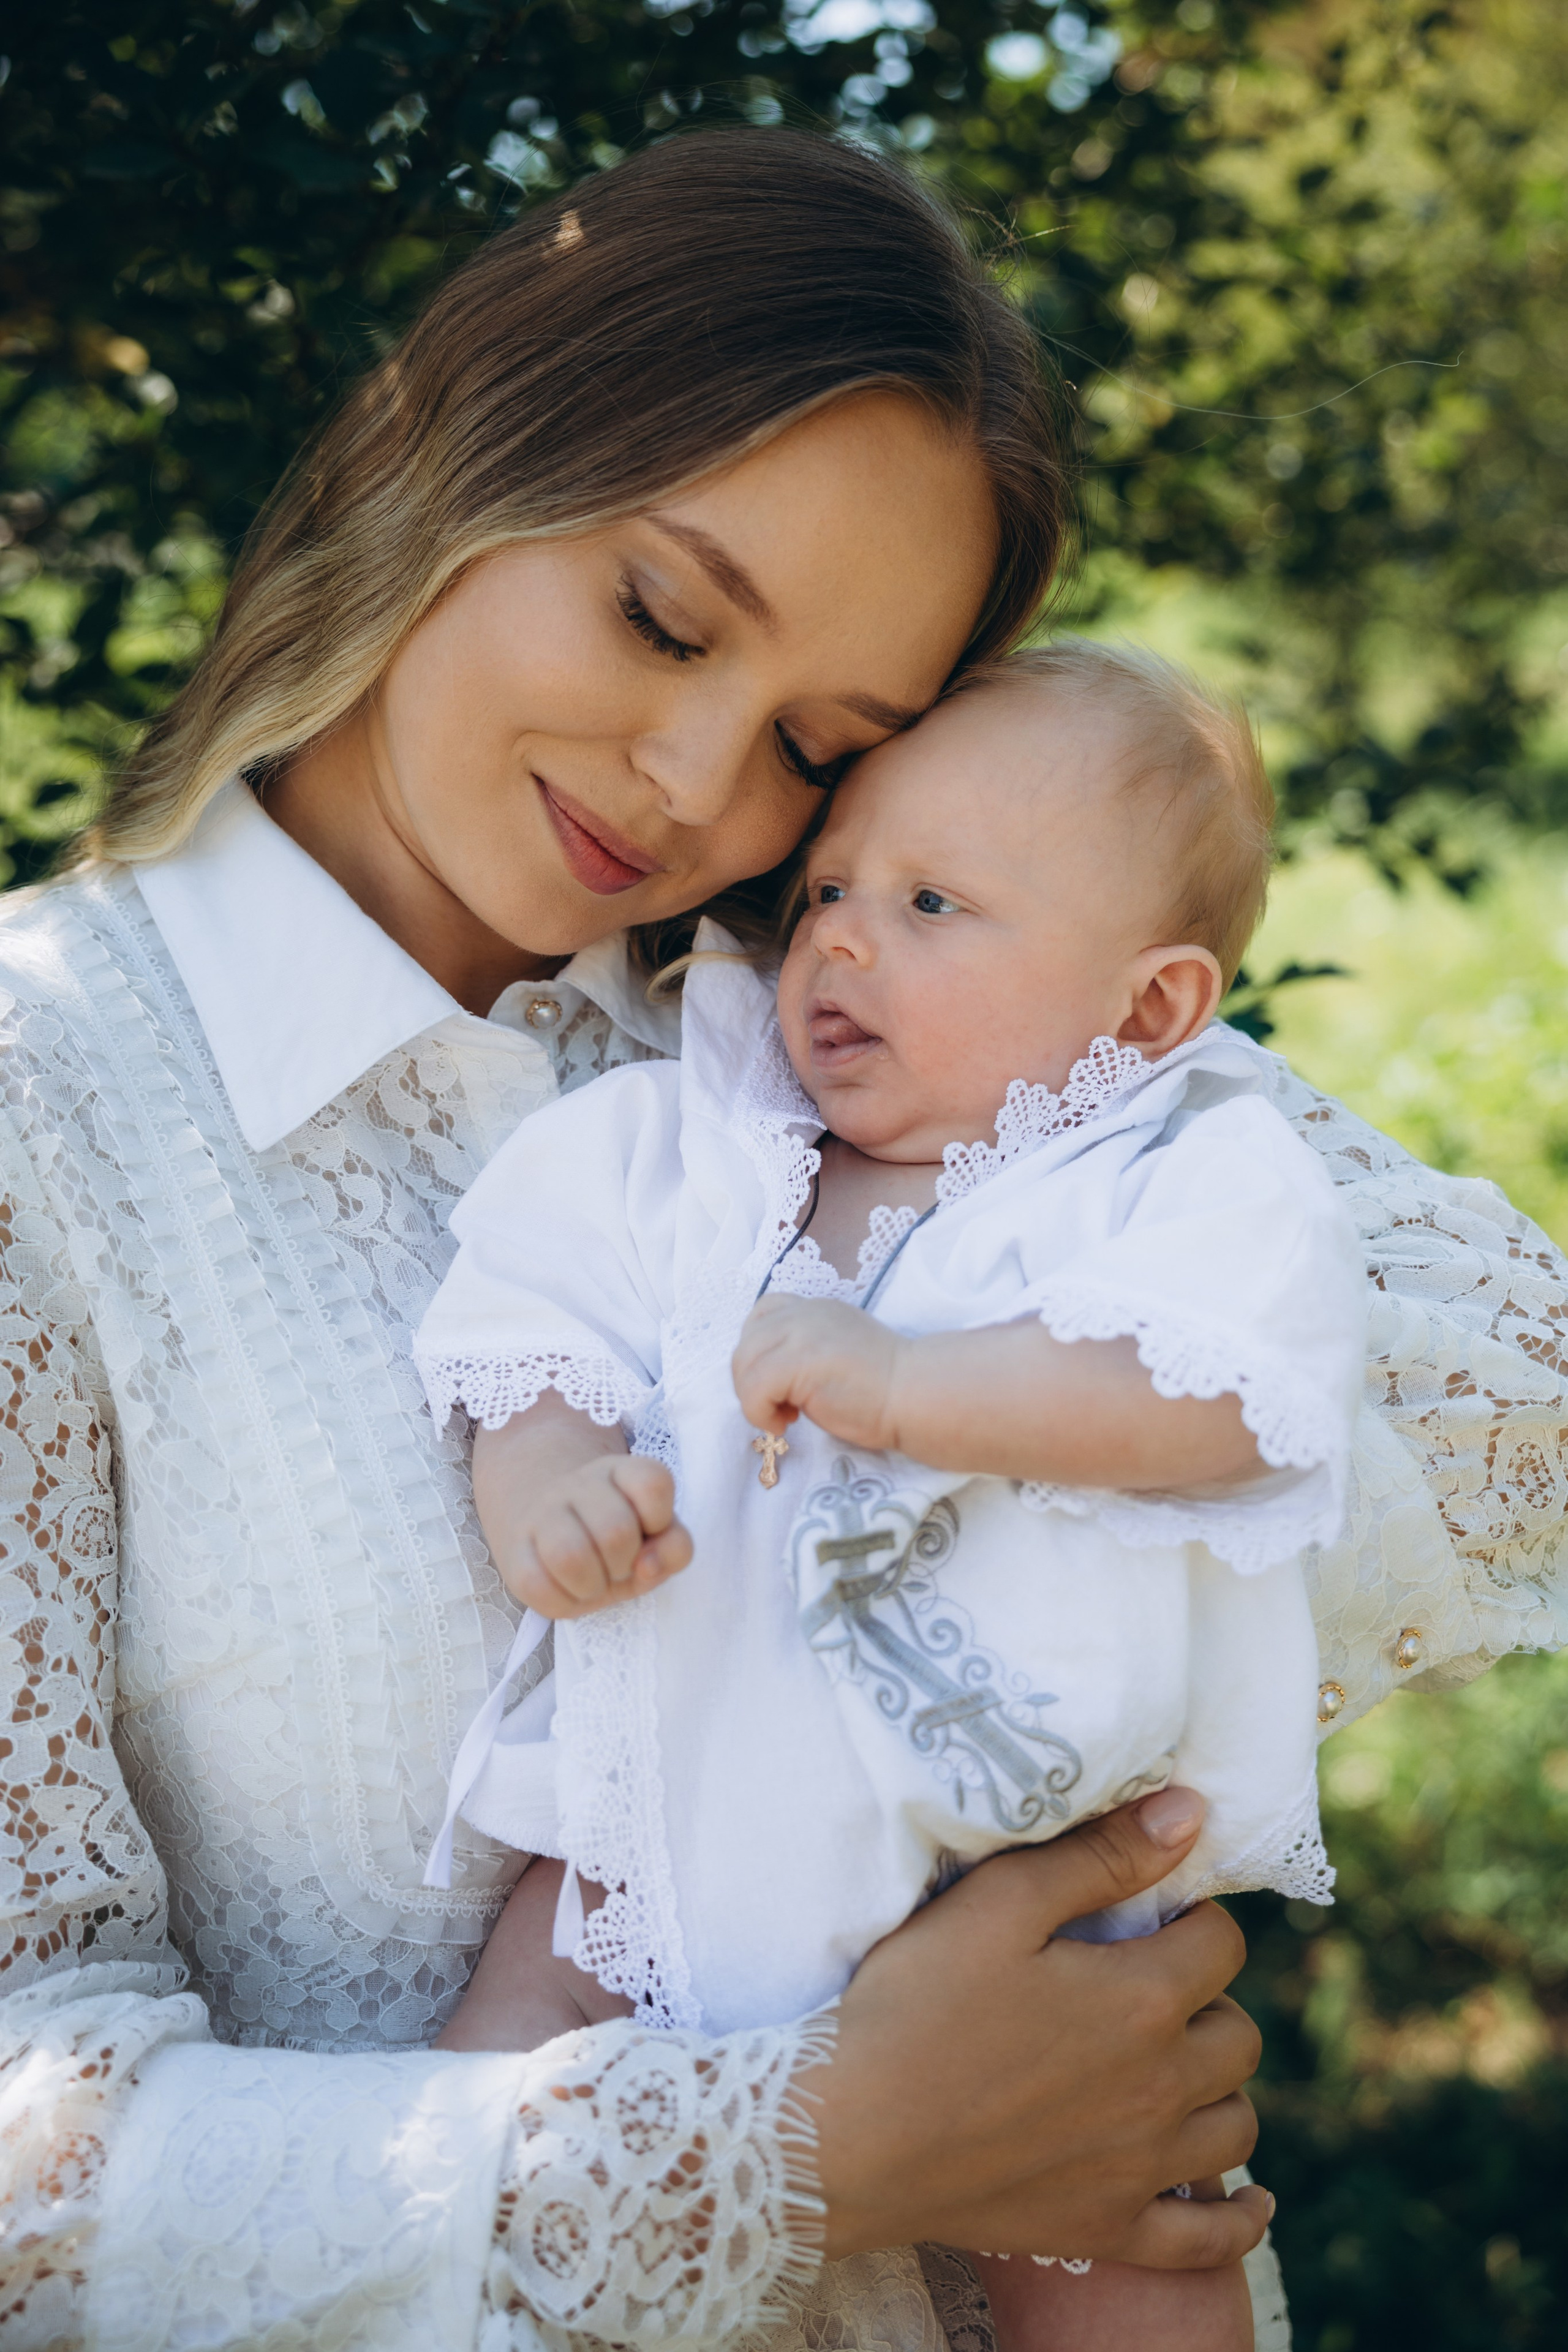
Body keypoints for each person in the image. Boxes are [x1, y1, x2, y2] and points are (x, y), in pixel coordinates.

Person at [0, 127, 1561, 2352]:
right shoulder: (44, 1113)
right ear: (445, 445)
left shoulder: (839, 1029)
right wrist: (817, 2136)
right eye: (661, 615)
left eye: (825, 750)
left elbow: (1508, 1391)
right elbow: (30, 2181)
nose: (694, 787)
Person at [413, 640, 1366, 2352]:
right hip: (665, 1815)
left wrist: (914, 1388)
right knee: (493, 2105)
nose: (842, 939)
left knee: (1140, 2256)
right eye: (830, 889)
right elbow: (526, 1336)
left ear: (1149, 1010)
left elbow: (1233, 1399)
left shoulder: (1182, 1170)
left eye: (933, 903)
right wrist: (550, 1487)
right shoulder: (684, 1145)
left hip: (1037, 1872)